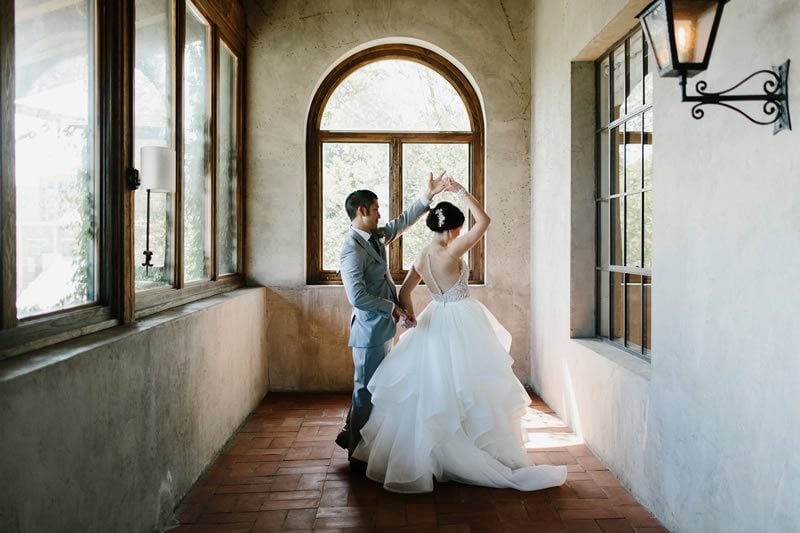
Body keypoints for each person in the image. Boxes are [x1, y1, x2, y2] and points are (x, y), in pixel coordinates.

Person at [351, 177, 568, 493]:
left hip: (435, 318)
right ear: (454, 229)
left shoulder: (423, 255)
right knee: (470, 387)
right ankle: (472, 447)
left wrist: (409, 316)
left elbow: (404, 290)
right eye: (458, 227)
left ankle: (435, 455)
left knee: (434, 389)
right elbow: (485, 221)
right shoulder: (453, 249)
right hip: (463, 319)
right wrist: (464, 192)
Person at [336, 171, 448, 470]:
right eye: (375, 210)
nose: (380, 215)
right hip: (368, 331)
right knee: (365, 391)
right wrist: (395, 309)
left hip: (382, 327)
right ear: (361, 211)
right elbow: (357, 297)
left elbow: (401, 222)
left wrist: (428, 196)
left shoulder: (374, 237)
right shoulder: (350, 249)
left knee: (376, 388)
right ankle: (356, 453)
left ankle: (355, 438)